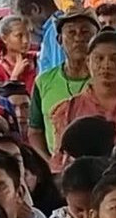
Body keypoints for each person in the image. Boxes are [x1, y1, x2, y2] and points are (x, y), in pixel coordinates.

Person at [29, 9, 99, 161]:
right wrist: (49, 162)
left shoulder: (106, 80)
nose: (78, 38)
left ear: (97, 38)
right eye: (71, 32)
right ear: (60, 40)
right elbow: (35, 131)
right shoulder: (43, 82)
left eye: (85, 32)